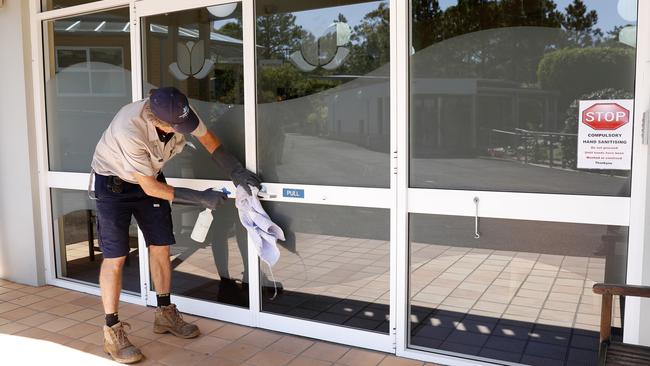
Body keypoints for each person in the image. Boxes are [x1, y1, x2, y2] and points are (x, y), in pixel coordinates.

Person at [90, 87, 261, 363]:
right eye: (179, 126)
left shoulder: (180, 113)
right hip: (114, 185)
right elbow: (150, 188)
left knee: (161, 245)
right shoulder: (129, 129)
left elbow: (210, 142)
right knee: (116, 257)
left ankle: (165, 313)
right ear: (157, 120)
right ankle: (112, 330)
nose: (185, 128)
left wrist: (235, 170)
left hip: (151, 178)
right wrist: (200, 199)